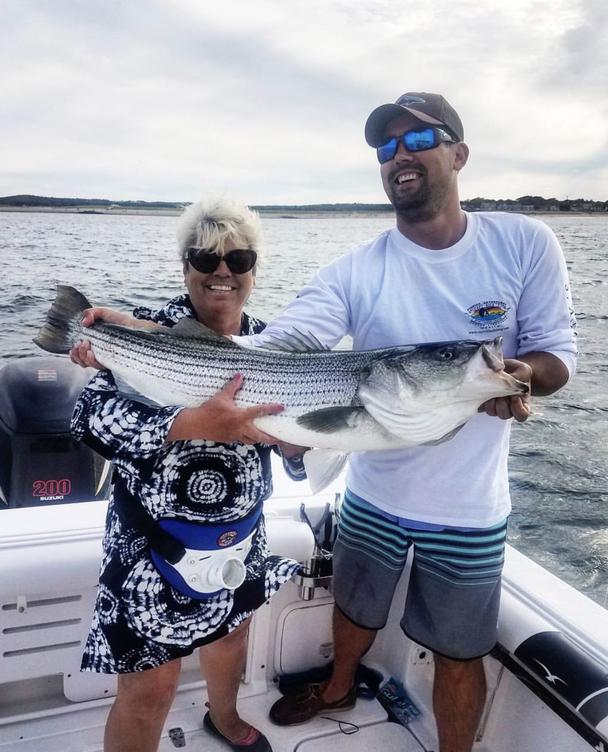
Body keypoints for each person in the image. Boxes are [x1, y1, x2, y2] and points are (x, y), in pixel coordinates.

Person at [228, 93, 577, 751]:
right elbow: (284, 343)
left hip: (470, 506)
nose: (400, 156)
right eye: (387, 148)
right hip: (373, 490)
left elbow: (558, 355)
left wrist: (521, 377)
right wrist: (160, 338)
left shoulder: (524, 243)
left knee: (459, 651)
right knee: (355, 610)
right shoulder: (359, 269)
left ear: (459, 153)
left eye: (419, 140)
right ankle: (337, 687)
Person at [69, 196, 306, 752]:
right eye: (205, 259)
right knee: (149, 688)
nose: (222, 272)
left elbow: (298, 448)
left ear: (253, 271)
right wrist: (194, 424)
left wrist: (299, 446)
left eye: (239, 259)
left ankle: (222, 718)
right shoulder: (148, 332)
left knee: (231, 639)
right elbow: (87, 419)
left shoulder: (274, 344)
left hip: (240, 534)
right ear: (185, 268)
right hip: (150, 544)